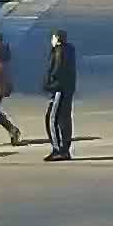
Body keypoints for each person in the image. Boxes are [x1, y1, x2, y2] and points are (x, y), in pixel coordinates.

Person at [42, 29, 78, 161]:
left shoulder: (59, 51)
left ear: (57, 39)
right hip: (66, 89)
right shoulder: (68, 50)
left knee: (52, 119)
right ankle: (64, 149)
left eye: (53, 38)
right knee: (64, 118)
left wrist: (49, 84)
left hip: (59, 89)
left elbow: (56, 70)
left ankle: (59, 149)